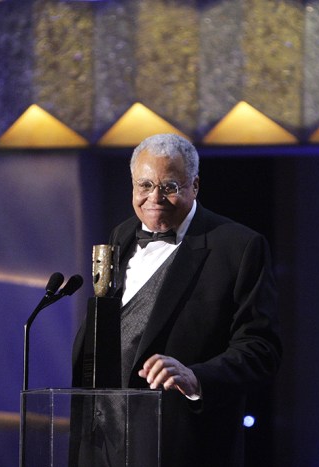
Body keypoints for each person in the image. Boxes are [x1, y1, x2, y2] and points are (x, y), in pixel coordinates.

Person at [72, 133, 282, 467]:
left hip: (181, 443)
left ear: (194, 186)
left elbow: (261, 349)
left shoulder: (239, 247)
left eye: (169, 186)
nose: (154, 197)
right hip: (102, 441)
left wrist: (196, 377)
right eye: (145, 185)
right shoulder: (122, 235)